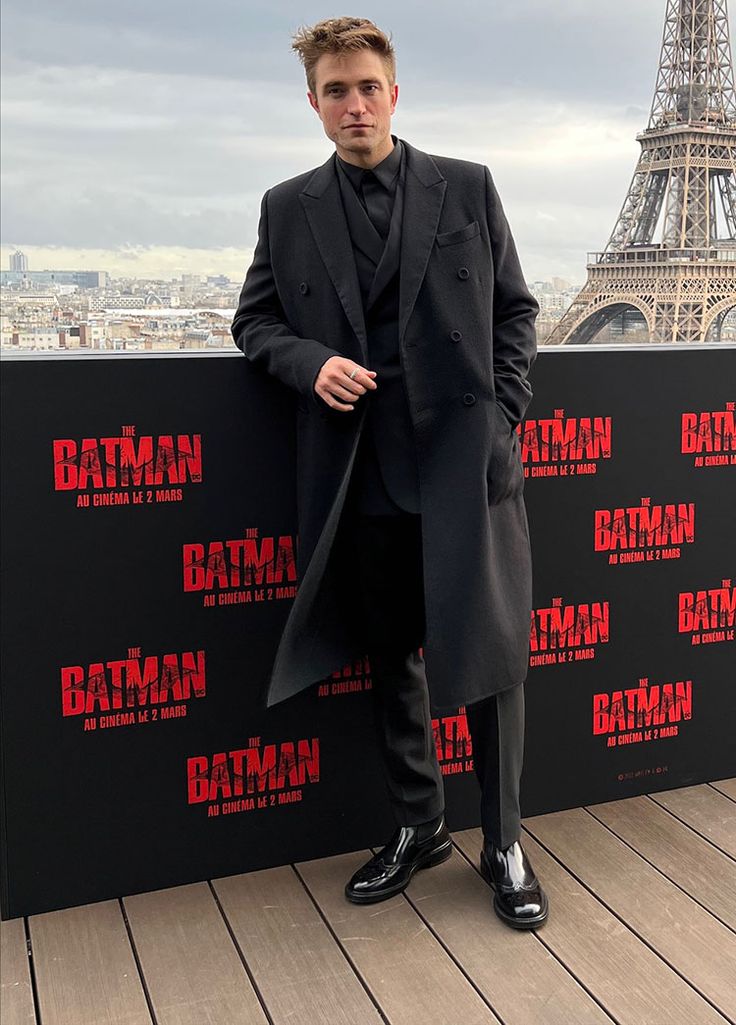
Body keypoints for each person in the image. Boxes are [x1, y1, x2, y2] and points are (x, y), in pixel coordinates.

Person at [231, 16, 548, 929]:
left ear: (394, 92)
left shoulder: (469, 186)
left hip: (463, 463)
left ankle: (506, 839)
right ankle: (420, 824)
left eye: (368, 86)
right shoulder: (287, 205)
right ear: (315, 105)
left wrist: (501, 420)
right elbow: (253, 322)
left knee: (491, 662)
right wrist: (308, 362)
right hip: (359, 469)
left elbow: (515, 314)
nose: (355, 103)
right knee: (389, 659)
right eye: (337, 90)